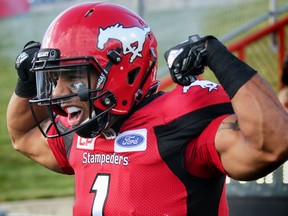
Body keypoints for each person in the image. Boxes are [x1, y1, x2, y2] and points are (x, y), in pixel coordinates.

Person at [6, 2, 288, 216]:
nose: (58, 94)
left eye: (74, 77)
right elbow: (23, 136)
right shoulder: (83, 134)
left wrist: (215, 55)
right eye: (55, 79)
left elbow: (272, 144)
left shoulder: (178, 123)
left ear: (123, 70)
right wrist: (26, 83)